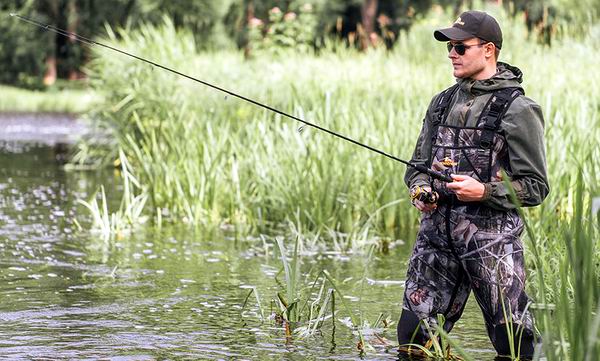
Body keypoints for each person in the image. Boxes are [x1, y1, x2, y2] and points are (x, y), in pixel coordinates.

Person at [397, 10, 549, 359]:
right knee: (413, 342)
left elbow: (536, 186)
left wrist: (483, 191)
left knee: (515, 346)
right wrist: (420, 189)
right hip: (434, 240)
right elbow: (417, 166)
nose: (452, 53)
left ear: (489, 50)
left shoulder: (519, 109)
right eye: (449, 47)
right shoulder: (441, 102)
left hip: (491, 246)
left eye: (460, 47)